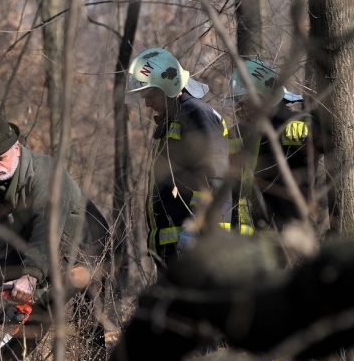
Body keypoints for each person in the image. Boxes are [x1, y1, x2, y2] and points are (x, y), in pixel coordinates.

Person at [0, 114, 115, 361]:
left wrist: (29, 277)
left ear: (16, 149)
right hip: (43, 255)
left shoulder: (45, 174)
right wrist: (10, 282)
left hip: (85, 246)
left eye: (1, 157)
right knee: (4, 306)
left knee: (89, 317)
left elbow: (46, 229)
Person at [124, 48, 231, 270]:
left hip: (195, 247)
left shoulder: (196, 115)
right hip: (173, 249)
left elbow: (215, 176)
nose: (147, 104)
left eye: (150, 96)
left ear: (168, 86)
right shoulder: (176, 118)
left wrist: (196, 229)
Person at [225, 58, 323, 237]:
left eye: (246, 101)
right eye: (239, 103)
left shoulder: (290, 125)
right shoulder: (238, 133)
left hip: (286, 233)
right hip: (247, 235)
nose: (243, 107)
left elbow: (324, 134)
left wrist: (309, 122)